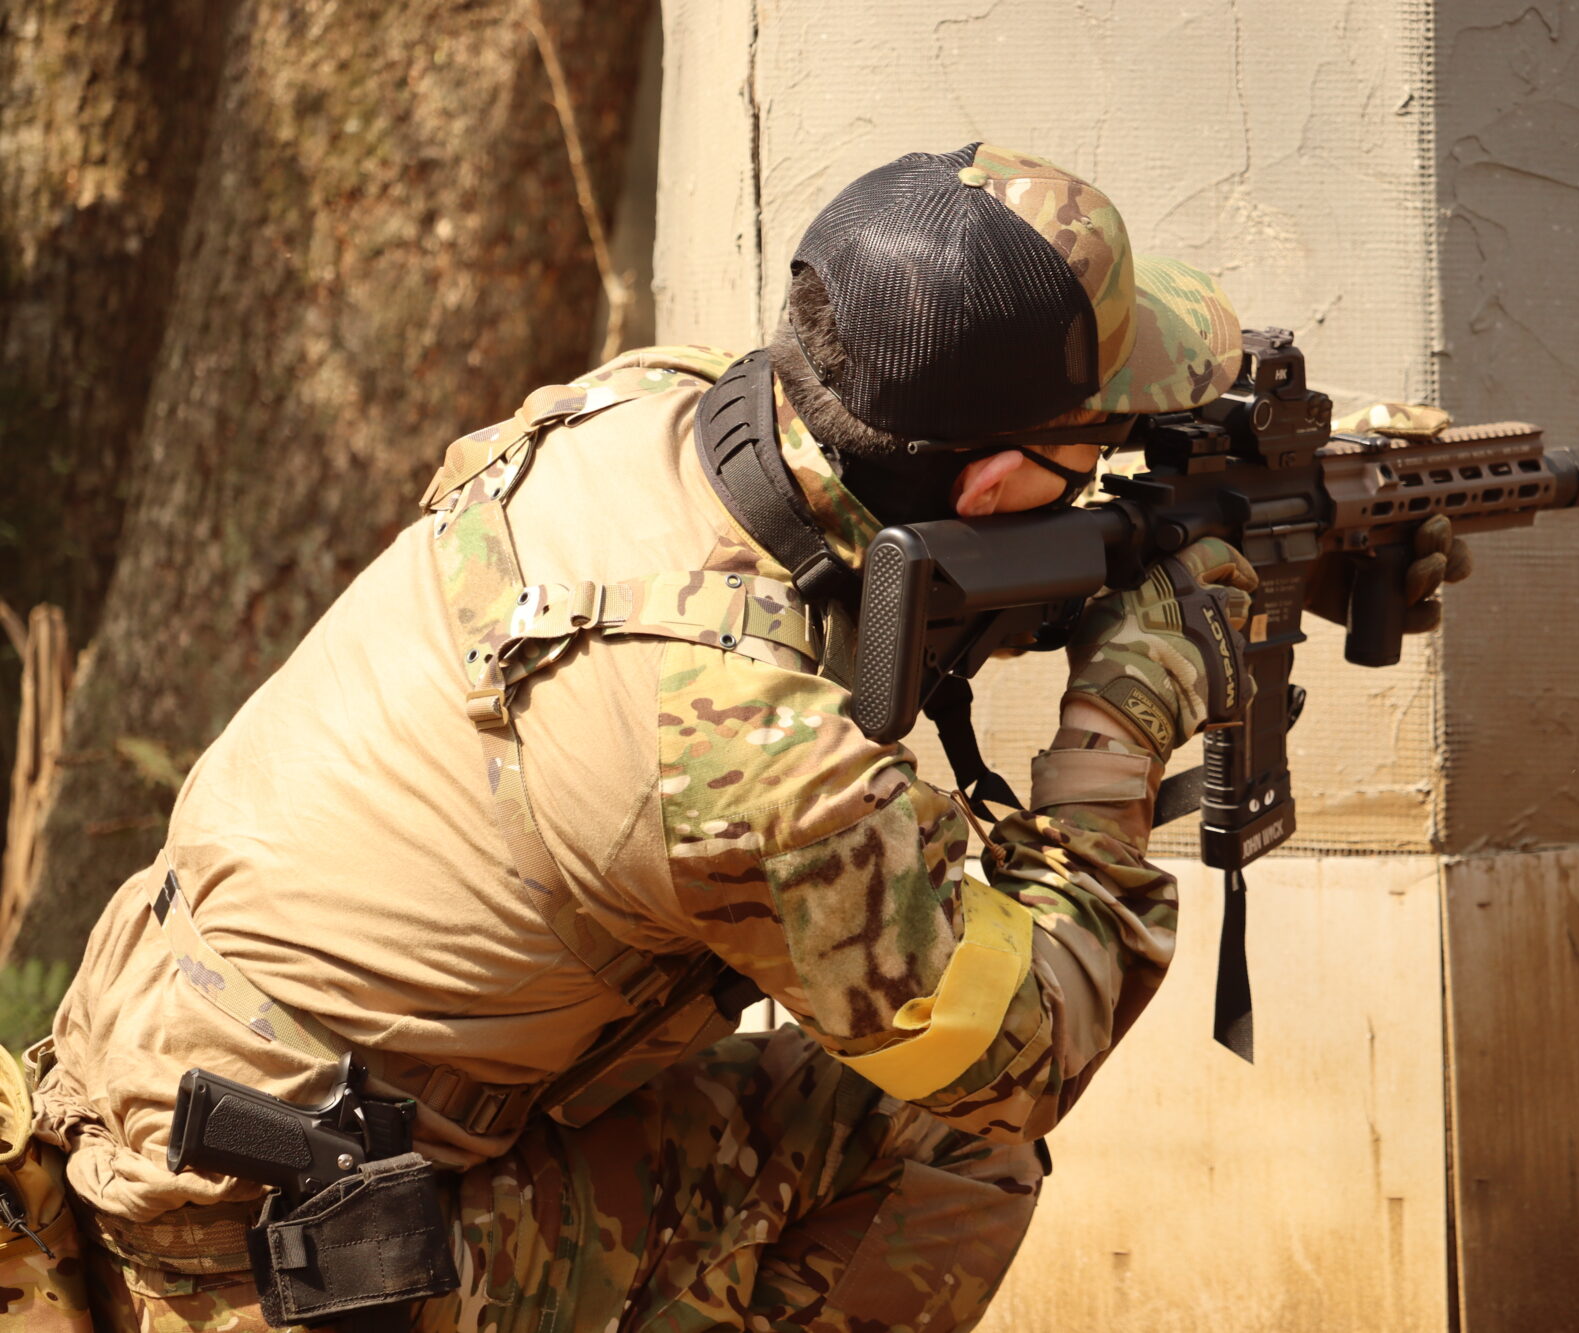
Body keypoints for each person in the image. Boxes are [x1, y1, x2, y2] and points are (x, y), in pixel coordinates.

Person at [24, 143, 1457, 1332]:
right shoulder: (747, 754)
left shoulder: (650, 405)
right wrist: (1123, 714)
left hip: (183, 1100)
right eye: (1097, 436)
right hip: (274, 1256)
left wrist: (1305, 504)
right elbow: (1022, 1052)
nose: (1112, 455)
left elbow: (906, 574)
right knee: (945, 1146)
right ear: (997, 481)